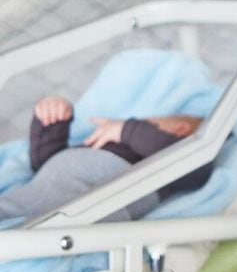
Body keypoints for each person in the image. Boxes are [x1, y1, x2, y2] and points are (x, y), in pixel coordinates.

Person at [0, 95, 211, 223]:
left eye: (144, 123)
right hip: (43, 187)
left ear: (179, 130)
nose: (125, 124)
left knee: (60, 222)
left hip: (95, 201)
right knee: (15, 208)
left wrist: (127, 130)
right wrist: (51, 122)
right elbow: (42, 163)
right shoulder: (95, 143)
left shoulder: (171, 164)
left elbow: (195, 165)